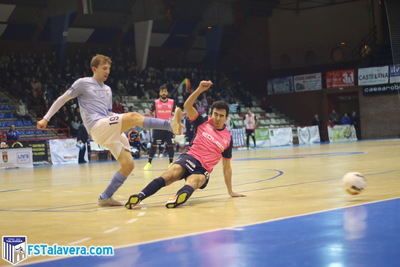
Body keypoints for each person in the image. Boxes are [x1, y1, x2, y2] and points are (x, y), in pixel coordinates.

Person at [37, 54, 182, 207]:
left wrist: (124, 120)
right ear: (94, 68)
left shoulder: (107, 89)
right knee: (133, 116)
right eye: (104, 68)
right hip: (97, 127)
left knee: (128, 165)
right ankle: (169, 125)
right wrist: (46, 118)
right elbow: (62, 99)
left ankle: (105, 197)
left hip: (107, 127)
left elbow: (108, 113)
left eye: (109, 68)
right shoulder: (83, 83)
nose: (107, 71)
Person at [125, 80, 245, 210]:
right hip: (190, 157)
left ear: (226, 118)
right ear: (211, 114)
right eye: (215, 114)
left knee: (195, 180)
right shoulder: (202, 122)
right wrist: (199, 89)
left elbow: (227, 167)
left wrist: (230, 191)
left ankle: (178, 197)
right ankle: (140, 196)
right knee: (170, 174)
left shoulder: (228, 138)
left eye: (221, 116)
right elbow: (187, 106)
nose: (217, 118)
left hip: (203, 169)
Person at [143, 84, 176, 170]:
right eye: (162, 91)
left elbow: (174, 114)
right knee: (154, 145)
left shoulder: (172, 102)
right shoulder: (155, 102)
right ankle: (149, 163)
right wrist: (148, 116)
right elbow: (150, 112)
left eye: (165, 91)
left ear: (167, 92)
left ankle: (171, 163)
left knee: (170, 145)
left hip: (168, 127)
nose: (164, 93)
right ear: (159, 93)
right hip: (158, 127)